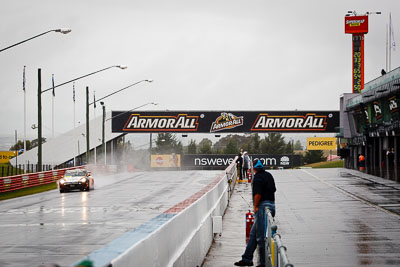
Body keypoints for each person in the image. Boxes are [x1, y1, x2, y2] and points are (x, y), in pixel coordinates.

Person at [234, 159, 276, 267]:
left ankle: (263, 263)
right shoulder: (269, 175)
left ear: (254, 168)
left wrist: (256, 206)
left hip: (262, 207)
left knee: (260, 236)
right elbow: (273, 190)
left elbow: (257, 194)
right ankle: (247, 259)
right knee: (253, 234)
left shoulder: (257, 178)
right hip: (272, 205)